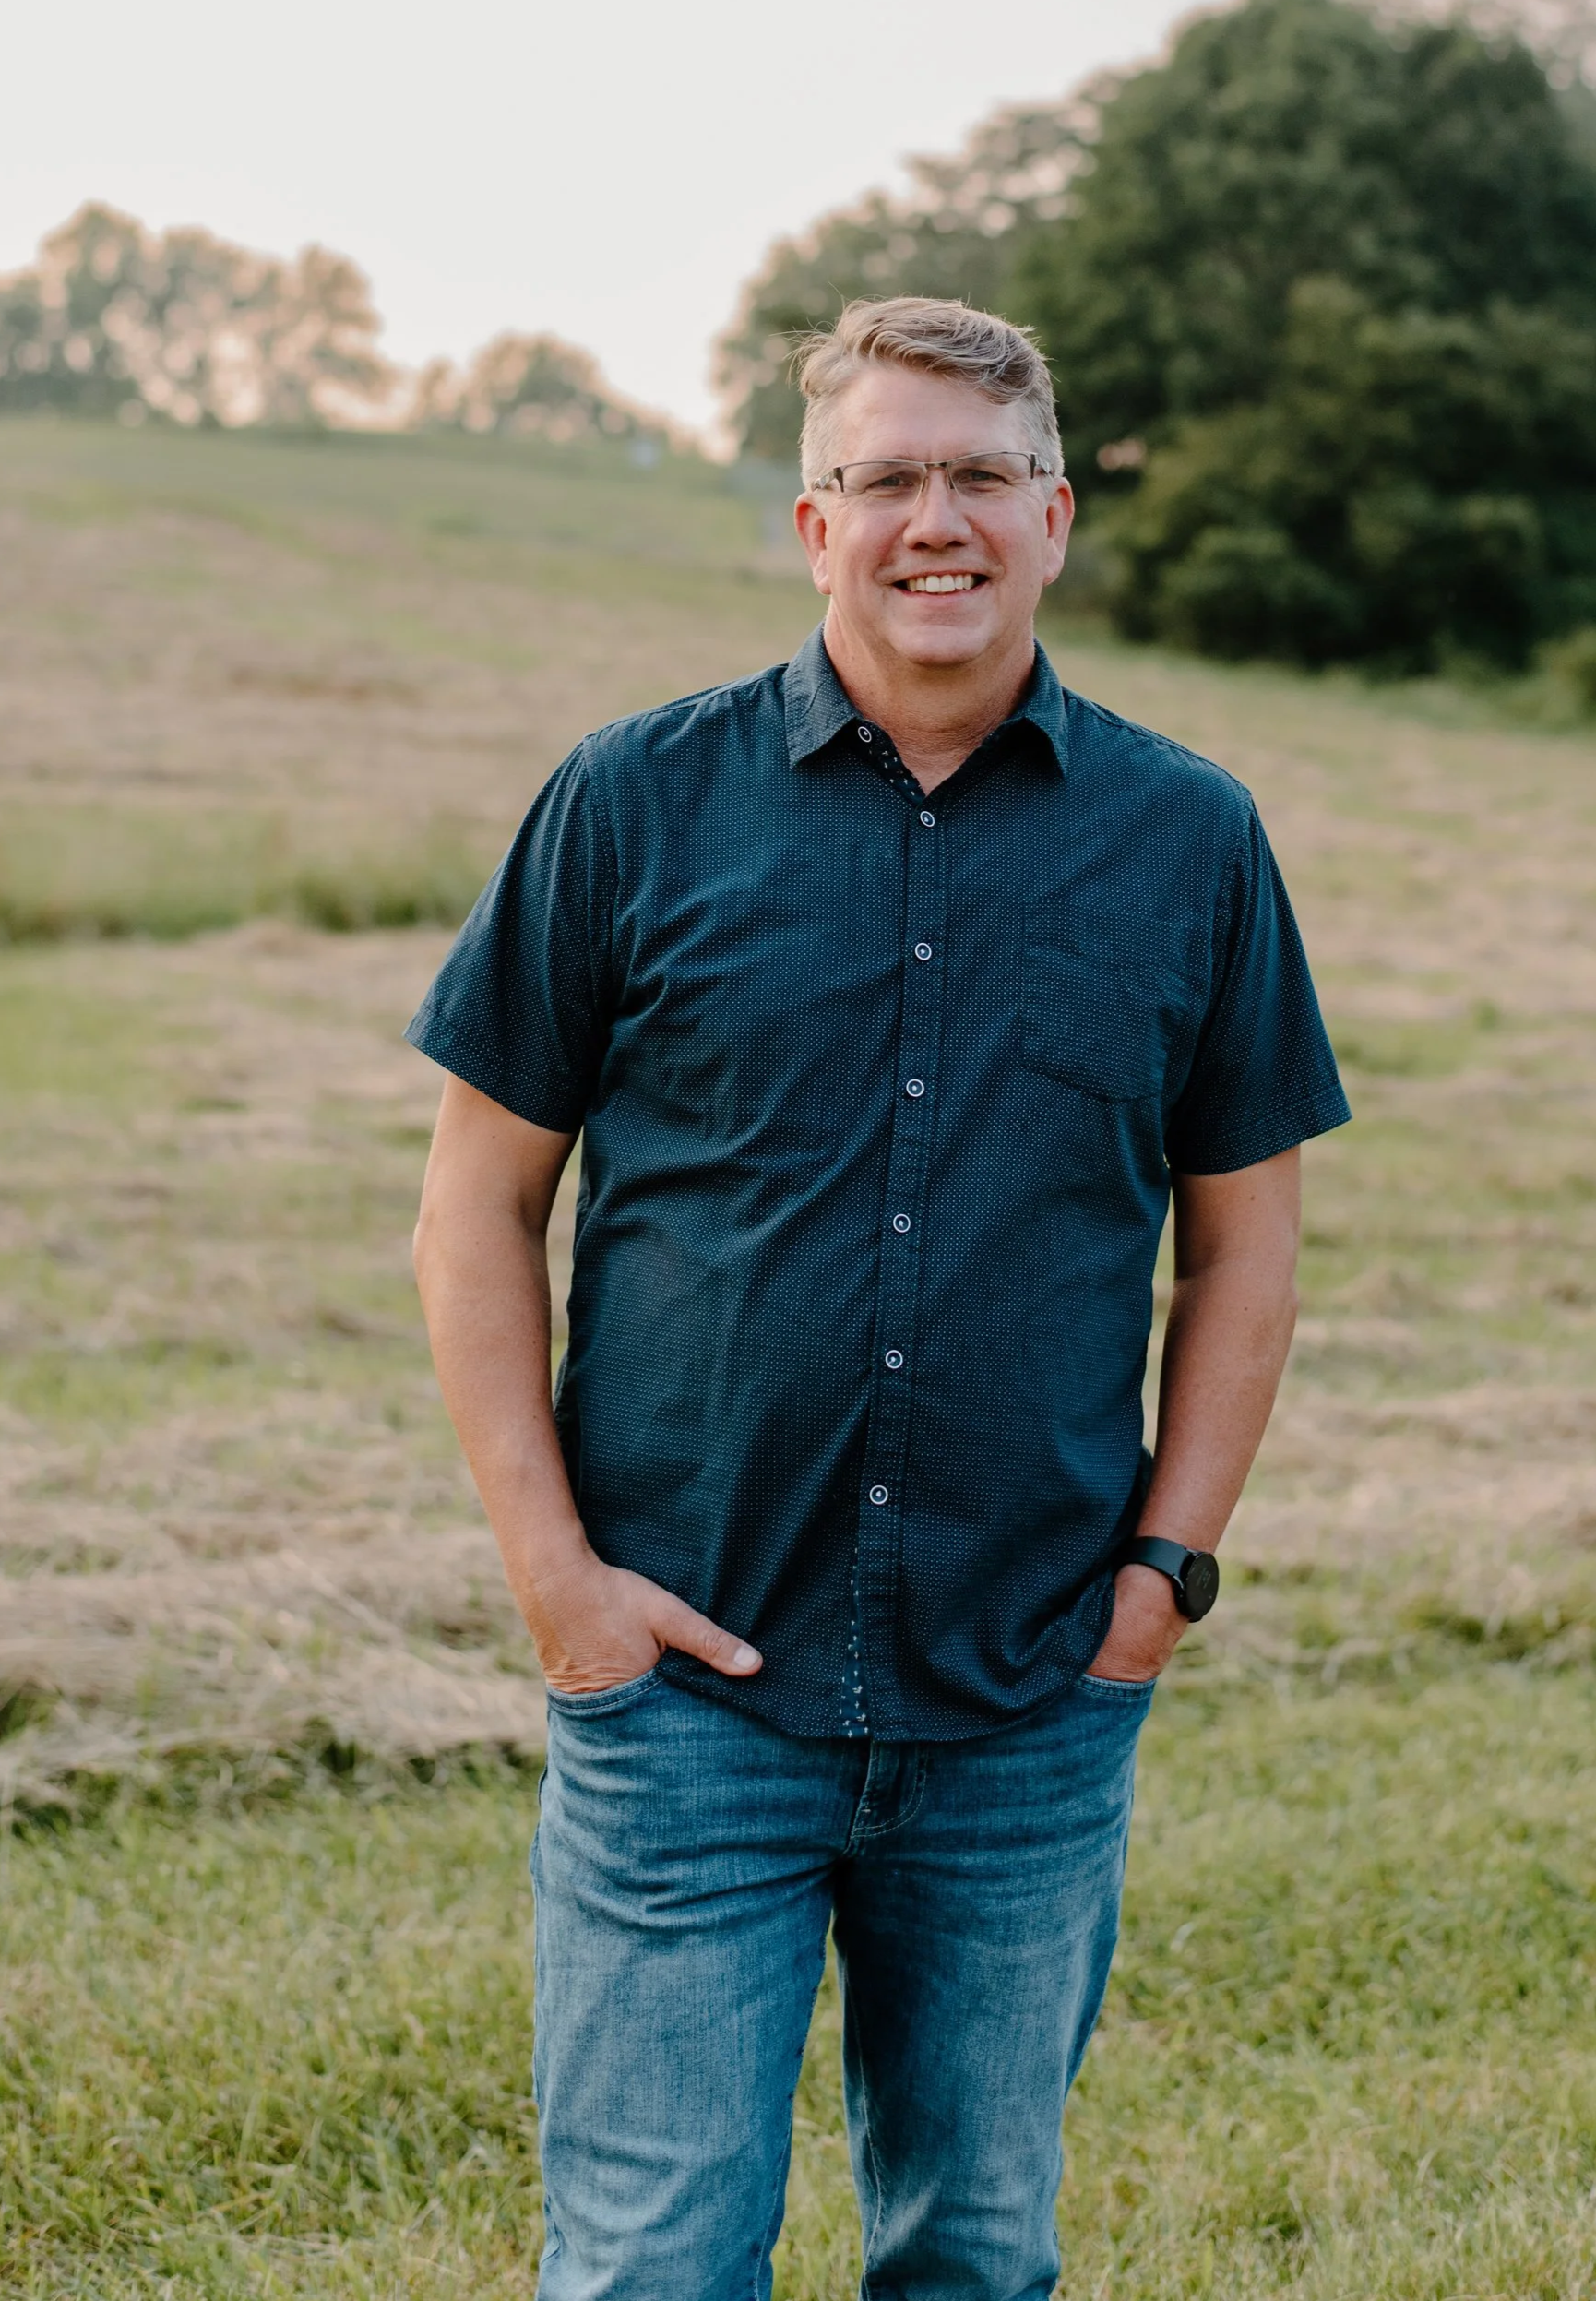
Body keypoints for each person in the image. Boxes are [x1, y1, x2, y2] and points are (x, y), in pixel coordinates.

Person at [409, 297, 1349, 2301]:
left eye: (984, 475)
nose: (942, 518)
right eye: (891, 475)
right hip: (681, 1688)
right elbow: (473, 1211)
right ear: (814, 524)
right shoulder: (630, 802)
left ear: (1057, 517)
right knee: (654, 2263)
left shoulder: (1190, 839)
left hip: (1026, 1698)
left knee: (975, 2253)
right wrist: (557, 1585)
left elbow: (1244, 1245)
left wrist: (1158, 1578)